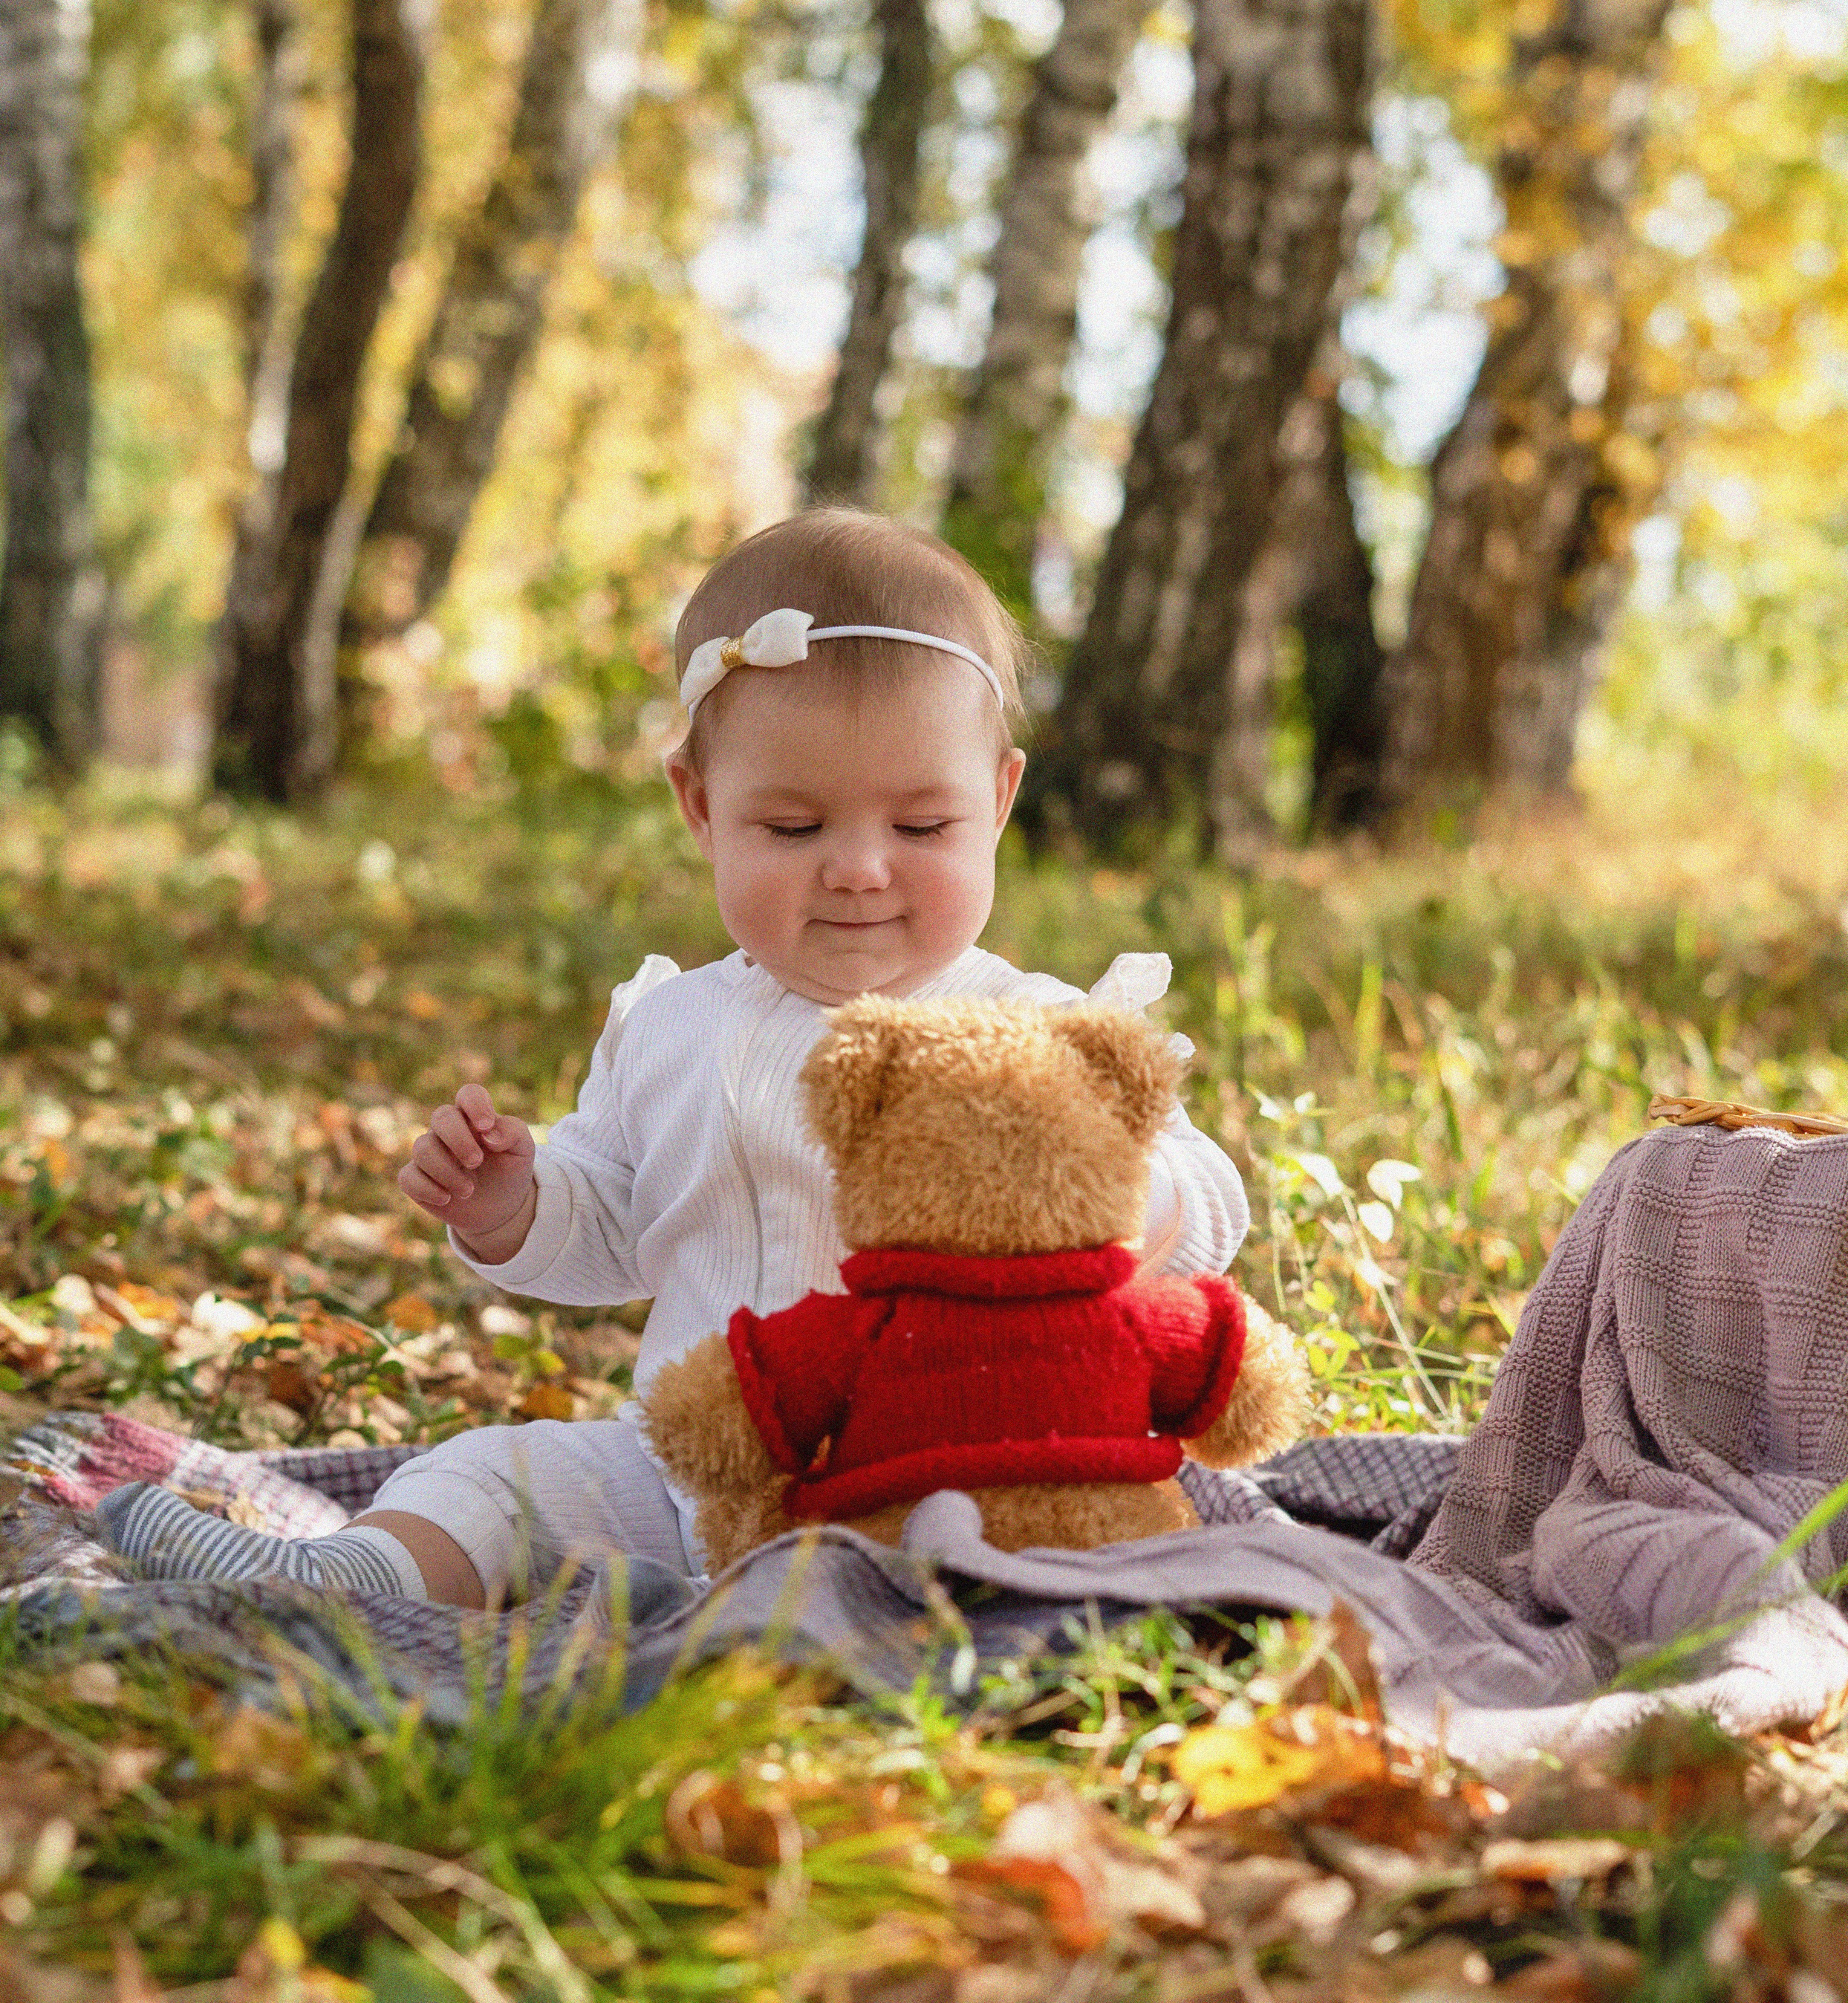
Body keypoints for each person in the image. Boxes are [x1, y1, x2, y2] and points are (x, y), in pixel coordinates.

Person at [100, 511, 1250, 1603]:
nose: (859, 868)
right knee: (495, 1471)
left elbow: (1210, 1201)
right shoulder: (671, 1027)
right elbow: (613, 1229)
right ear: (700, 807)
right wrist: (514, 1204)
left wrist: (1122, 1194)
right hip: (687, 1471)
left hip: (941, 1474)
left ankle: (903, 1621)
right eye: (793, 827)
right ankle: (351, 1581)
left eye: (921, 826)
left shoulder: (1039, 1031)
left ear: (997, 802)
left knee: (982, 1549)